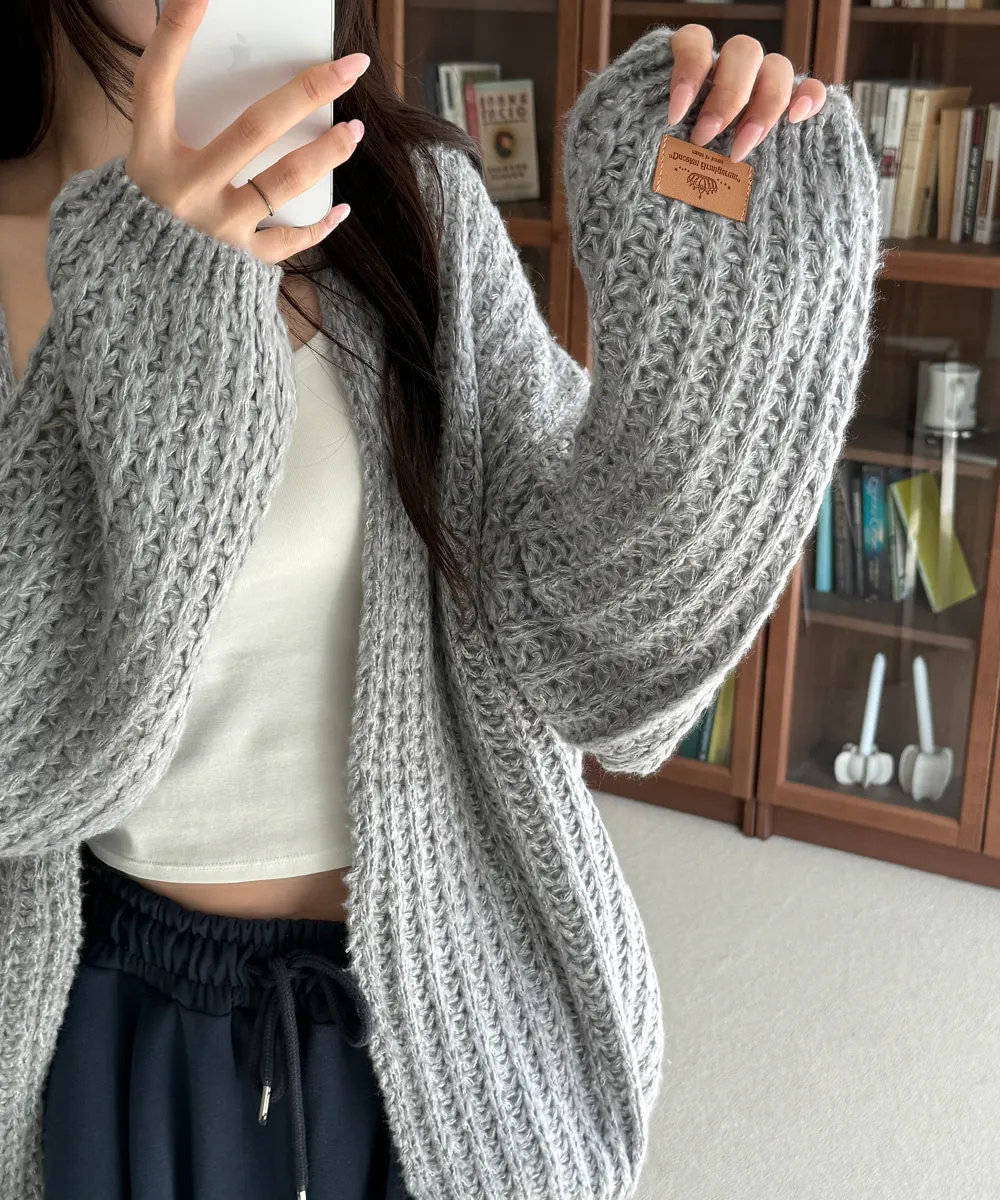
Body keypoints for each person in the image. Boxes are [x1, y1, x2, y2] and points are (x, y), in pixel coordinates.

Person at [0, 1, 880, 1198]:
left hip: (455, 1007)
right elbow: (22, 757)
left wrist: (716, 307)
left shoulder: (410, 210)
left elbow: (599, 661)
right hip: (102, 1026)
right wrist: (150, 312)